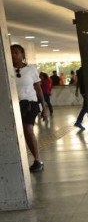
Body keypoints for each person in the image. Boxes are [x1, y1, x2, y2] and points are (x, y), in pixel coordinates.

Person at [11, 44, 47, 172]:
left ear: (22, 54)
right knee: (24, 134)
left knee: (28, 129)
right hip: (15, 105)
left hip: (31, 104)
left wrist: (44, 107)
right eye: (12, 53)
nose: (14, 55)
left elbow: (38, 89)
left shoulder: (31, 69)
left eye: (16, 52)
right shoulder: (8, 69)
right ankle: (34, 160)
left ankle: (38, 160)